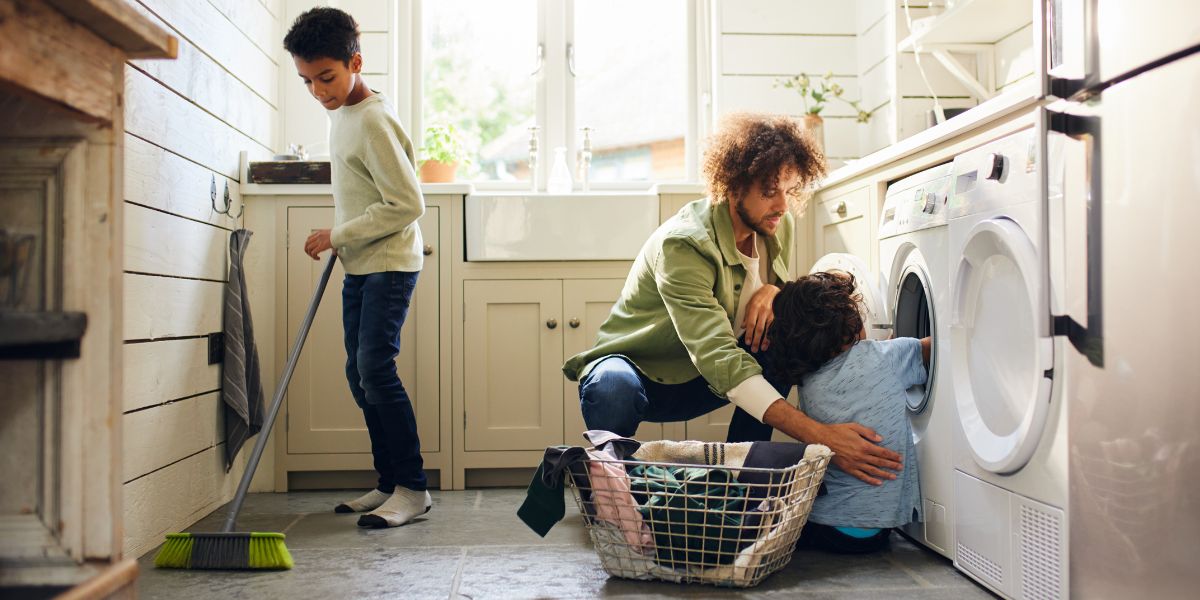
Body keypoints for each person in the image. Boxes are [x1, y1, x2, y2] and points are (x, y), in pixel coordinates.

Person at [563, 113, 904, 485]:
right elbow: (717, 355)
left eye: (789, 190)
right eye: (769, 190)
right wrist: (820, 435)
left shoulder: (775, 225)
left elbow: (779, 314)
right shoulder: (685, 244)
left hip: (702, 381)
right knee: (612, 385)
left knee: (784, 342)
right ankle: (612, 487)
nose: (783, 206)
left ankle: (743, 482)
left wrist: (776, 291)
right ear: (732, 184)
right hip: (643, 377)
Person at [284, 7, 430, 528]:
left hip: (390, 264)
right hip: (362, 263)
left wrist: (336, 234)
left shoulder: (372, 118)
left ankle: (413, 488)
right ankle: (389, 482)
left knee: (375, 368)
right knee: (358, 373)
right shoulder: (342, 114)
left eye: (327, 77)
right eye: (307, 81)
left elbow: (407, 202)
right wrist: (345, 237)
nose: (319, 91)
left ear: (355, 62)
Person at [769, 271, 931, 552]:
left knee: (776, 507)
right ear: (850, 324)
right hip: (874, 531)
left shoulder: (808, 381)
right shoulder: (884, 358)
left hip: (829, 525)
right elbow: (933, 349)